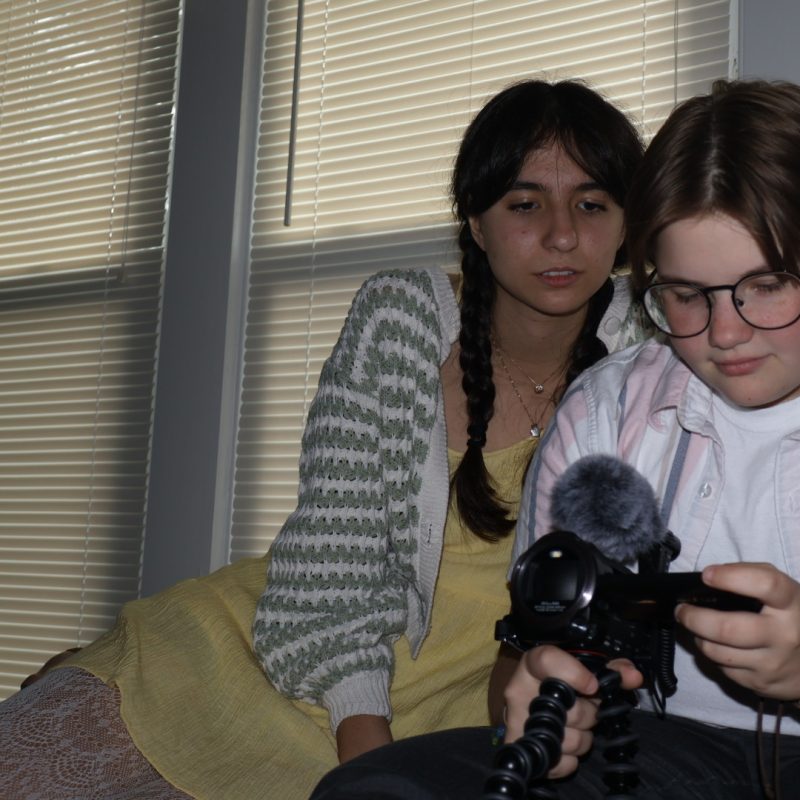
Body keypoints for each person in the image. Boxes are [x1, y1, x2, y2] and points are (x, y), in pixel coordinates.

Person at [308, 80, 800, 800]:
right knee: (376, 787)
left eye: (766, 286)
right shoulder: (604, 412)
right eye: (687, 295)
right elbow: (520, 665)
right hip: (666, 754)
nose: (723, 334)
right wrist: (535, 698)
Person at [0, 77, 648, 800]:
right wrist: (367, 761)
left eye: (592, 204)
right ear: (475, 221)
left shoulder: (649, 365)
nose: (562, 234)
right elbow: (334, 563)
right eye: (524, 204)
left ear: (627, 224)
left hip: (438, 736)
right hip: (239, 676)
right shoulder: (402, 318)